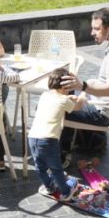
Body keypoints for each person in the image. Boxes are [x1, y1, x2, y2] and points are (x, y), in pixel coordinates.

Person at [58, 7, 109, 163]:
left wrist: (82, 86)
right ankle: (76, 145)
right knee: (69, 96)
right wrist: (83, 87)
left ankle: (62, 157)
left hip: (103, 113)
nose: (92, 33)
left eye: (96, 29)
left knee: (59, 107)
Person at [28, 67, 86, 201]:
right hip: (48, 140)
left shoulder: (45, 95)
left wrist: (69, 97)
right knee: (56, 169)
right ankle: (66, 192)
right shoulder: (63, 100)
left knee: (40, 167)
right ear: (67, 87)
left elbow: (58, 101)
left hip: (33, 137)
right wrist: (82, 95)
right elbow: (77, 106)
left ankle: (49, 186)